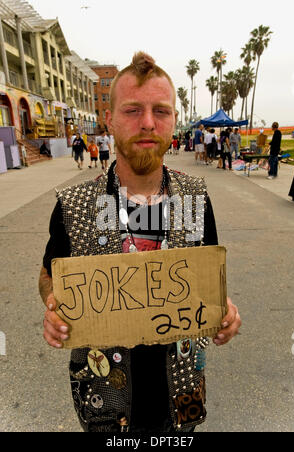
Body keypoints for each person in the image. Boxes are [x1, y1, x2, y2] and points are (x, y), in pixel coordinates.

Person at [39, 51, 241, 433]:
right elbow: (49, 275)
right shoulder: (76, 206)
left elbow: (208, 281)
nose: (148, 123)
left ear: (174, 122)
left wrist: (224, 310)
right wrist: (53, 304)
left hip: (181, 396)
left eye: (161, 111)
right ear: (109, 120)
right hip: (106, 403)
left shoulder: (194, 200)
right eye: (132, 111)